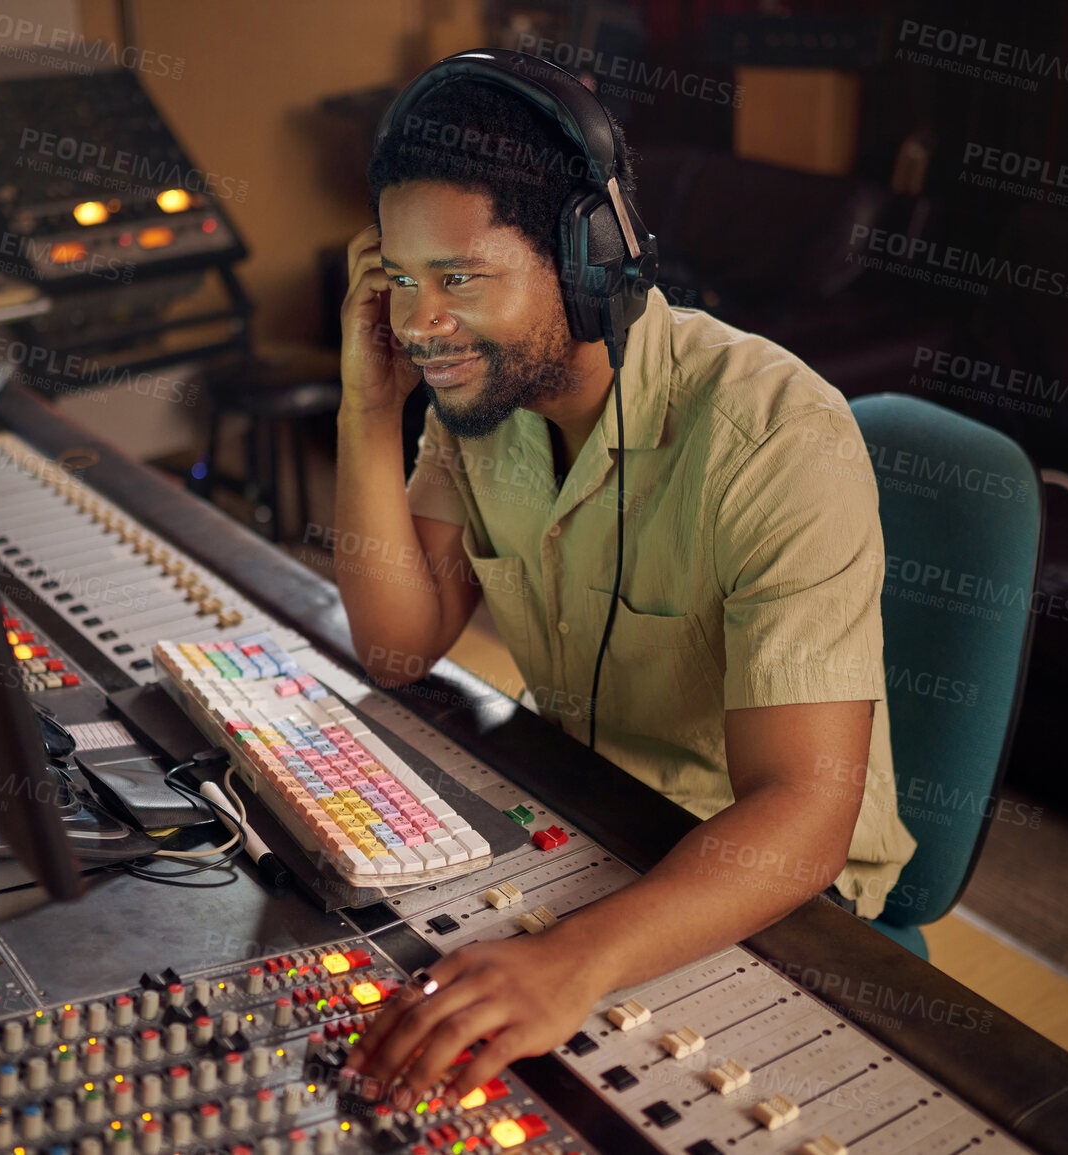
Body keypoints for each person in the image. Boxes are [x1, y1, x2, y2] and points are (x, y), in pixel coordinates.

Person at [331, 50, 918, 1110]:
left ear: (591, 255)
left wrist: (572, 961)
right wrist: (367, 410)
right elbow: (394, 645)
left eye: (457, 277)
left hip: (773, 891)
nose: (420, 324)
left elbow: (805, 806)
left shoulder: (774, 434)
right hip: (590, 826)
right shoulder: (477, 400)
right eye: (400, 280)